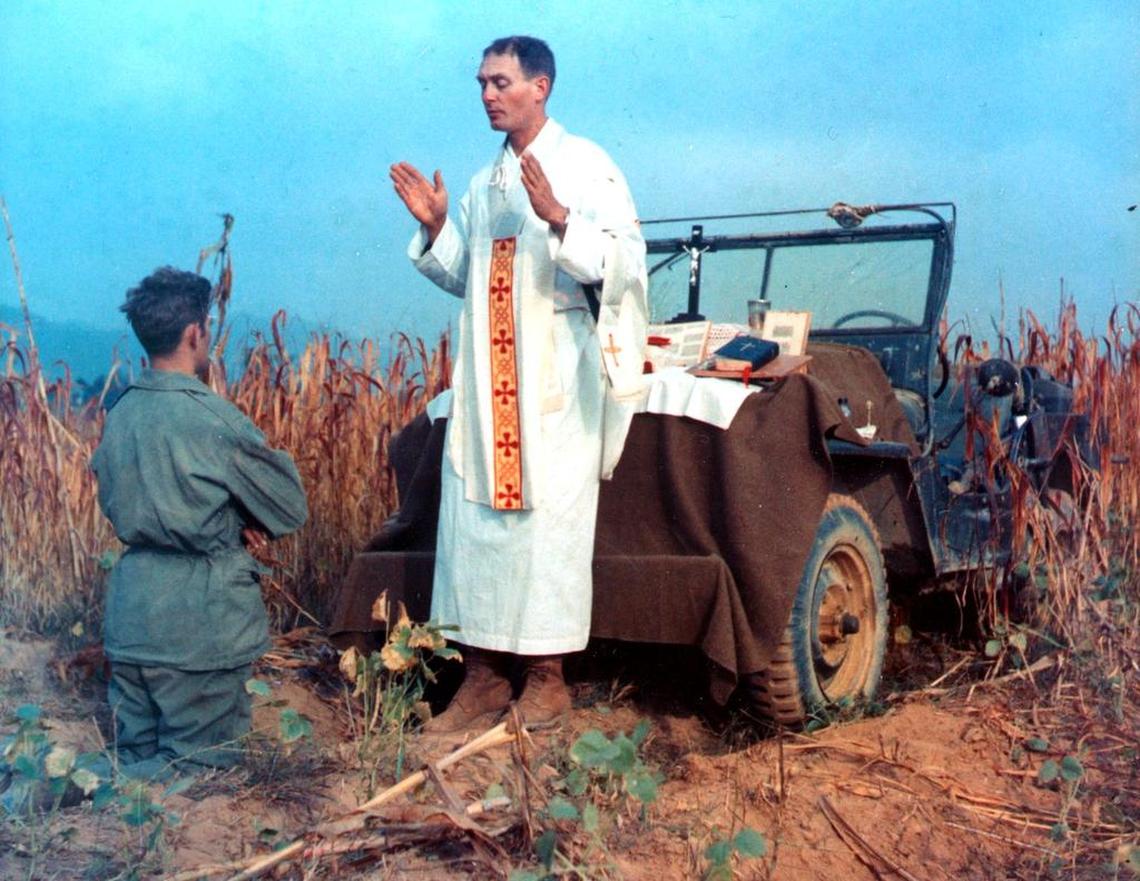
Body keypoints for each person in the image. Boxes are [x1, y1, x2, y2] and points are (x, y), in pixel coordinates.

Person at [390, 35, 647, 732]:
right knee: (475, 529)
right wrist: (441, 226)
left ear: (542, 86)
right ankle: (479, 681)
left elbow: (627, 261)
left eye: (501, 82)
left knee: (544, 533)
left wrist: (562, 218)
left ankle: (546, 679)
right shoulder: (483, 184)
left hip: (552, 386)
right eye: (481, 83)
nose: (487, 95)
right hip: (486, 386)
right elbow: (463, 276)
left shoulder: (587, 166)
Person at [91, 267, 308, 778]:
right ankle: (40, 794)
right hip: (198, 630)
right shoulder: (212, 418)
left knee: (134, 762)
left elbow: (125, 499)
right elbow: (288, 505)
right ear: (195, 333)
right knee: (200, 775)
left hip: (131, 625)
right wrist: (236, 519)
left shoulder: (120, 413)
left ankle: (54, 786)